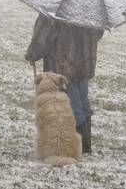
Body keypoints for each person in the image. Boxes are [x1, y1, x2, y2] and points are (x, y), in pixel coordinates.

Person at [25, 14, 104, 154]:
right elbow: (97, 33)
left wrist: (33, 53)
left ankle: (78, 147)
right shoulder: (91, 9)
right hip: (84, 65)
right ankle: (85, 144)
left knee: (74, 107)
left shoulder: (54, 9)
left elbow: (43, 34)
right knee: (83, 104)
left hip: (63, 65)